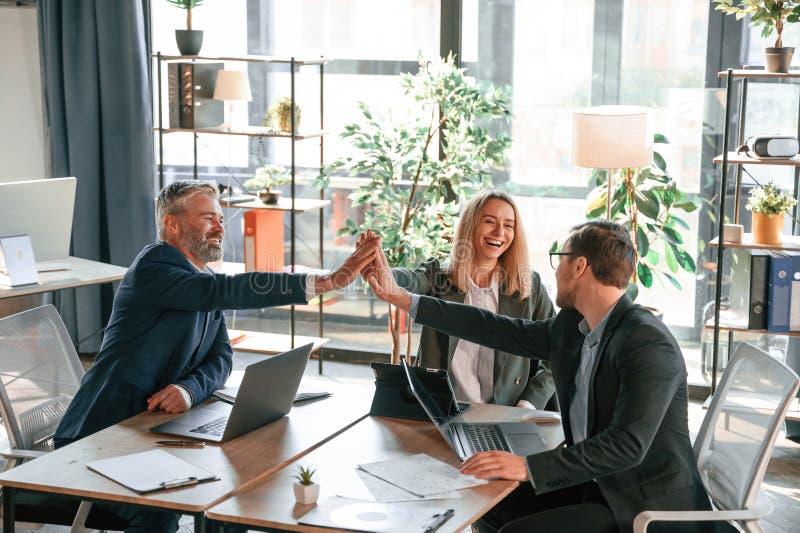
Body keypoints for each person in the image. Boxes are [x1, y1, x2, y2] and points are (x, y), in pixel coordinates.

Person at [364, 220, 730, 533]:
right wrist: (404, 298)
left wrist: (527, 466)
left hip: (640, 504)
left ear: (580, 266)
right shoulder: (574, 326)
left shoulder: (647, 342)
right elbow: (495, 328)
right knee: (489, 501)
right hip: (595, 483)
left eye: (560, 259)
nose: (554, 270)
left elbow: (626, 446)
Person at [54, 180, 378, 533]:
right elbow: (222, 291)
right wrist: (326, 281)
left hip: (149, 428)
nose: (221, 227)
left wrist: (189, 389)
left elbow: (221, 357)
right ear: (172, 224)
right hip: (101, 435)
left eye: (222, 219)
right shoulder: (154, 268)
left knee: (228, 486)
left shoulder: (201, 279)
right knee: (161, 508)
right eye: (209, 218)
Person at [386, 191, 555, 408]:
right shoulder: (440, 275)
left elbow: (558, 351)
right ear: (471, 225)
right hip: (443, 411)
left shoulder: (529, 284)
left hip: (508, 414)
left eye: (509, 225)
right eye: (489, 222)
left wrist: (529, 403)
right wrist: (383, 272)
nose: (499, 232)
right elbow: (410, 279)